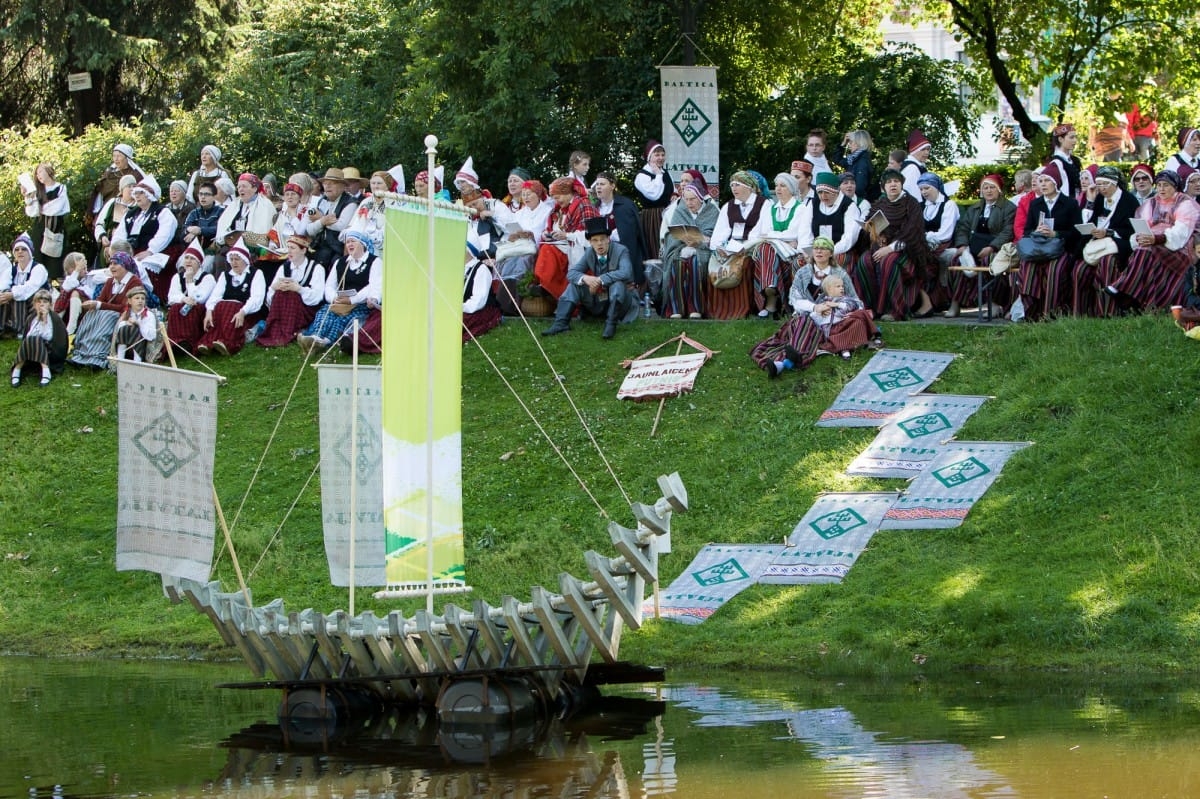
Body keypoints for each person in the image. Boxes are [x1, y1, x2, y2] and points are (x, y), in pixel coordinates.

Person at [751, 237, 862, 378]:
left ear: (831, 253)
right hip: (805, 317)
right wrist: (815, 307)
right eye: (816, 248)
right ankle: (793, 359)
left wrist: (835, 308)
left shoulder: (840, 274)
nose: (819, 251)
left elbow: (856, 302)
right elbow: (794, 299)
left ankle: (782, 363)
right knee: (804, 322)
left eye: (824, 248)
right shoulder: (803, 273)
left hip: (830, 323)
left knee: (807, 327)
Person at [1107, 170, 1200, 312]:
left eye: (1166, 185)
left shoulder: (1185, 203)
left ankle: (1124, 289)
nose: (1161, 189)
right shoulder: (1151, 203)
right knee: (1144, 250)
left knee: (1146, 250)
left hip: (1180, 248)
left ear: (1175, 187)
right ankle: (1143, 302)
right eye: (1159, 185)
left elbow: (1181, 233)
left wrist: (1156, 239)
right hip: (1153, 244)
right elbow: (1143, 225)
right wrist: (1141, 237)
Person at [851, 168, 935, 321]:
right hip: (880, 247)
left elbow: (912, 233)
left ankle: (895, 310)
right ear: (884, 187)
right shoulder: (880, 203)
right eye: (889, 182)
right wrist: (875, 236)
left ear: (901, 184)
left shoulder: (911, 203)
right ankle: (870, 308)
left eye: (896, 181)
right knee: (864, 261)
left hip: (907, 251)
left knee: (889, 262)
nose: (893, 185)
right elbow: (869, 226)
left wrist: (889, 248)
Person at [541, 216, 635, 339]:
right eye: (595, 240)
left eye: (602, 239)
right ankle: (561, 323)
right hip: (599, 299)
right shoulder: (589, 252)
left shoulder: (621, 250)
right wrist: (586, 279)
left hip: (621, 302)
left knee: (617, 285)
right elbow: (572, 273)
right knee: (574, 285)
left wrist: (600, 279)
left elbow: (626, 272)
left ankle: (611, 324)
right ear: (590, 242)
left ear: (608, 239)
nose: (599, 243)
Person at [1014, 161, 1081, 321]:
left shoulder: (1070, 203)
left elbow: (1076, 231)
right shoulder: (1036, 204)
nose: (1042, 184)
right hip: (1038, 247)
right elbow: (1027, 230)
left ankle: (1050, 314)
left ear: (1056, 183)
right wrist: (1036, 231)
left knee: (1054, 272)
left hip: (1061, 249)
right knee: (1028, 268)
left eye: (1047, 181)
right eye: (1040, 181)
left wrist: (1055, 234)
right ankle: (1031, 312)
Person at [1070, 165, 1139, 317]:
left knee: (1107, 264)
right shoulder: (1098, 198)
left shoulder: (1129, 201)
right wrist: (1089, 201)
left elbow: (1131, 231)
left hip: (1117, 246)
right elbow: (1085, 221)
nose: (1101, 188)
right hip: (1095, 244)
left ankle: (1108, 312)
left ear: (1114, 183)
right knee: (1079, 270)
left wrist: (1108, 232)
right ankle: (1079, 313)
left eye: (1105, 184)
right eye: (1099, 184)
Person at [945, 174, 1016, 317]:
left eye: (992, 188)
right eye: (985, 188)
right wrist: (962, 245)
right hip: (973, 246)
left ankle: (994, 303)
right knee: (956, 261)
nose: (988, 191)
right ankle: (955, 303)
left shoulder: (1009, 208)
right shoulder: (975, 208)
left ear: (999, 190)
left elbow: (1008, 231)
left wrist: (992, 247)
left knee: (989, 261)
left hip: (995, 248)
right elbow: (963, 228)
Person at [298, 230, 381, 351]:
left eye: (353, 241)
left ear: (362, 243)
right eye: (347, 242)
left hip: (360, 304)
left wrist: (352, 300)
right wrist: (334, 298)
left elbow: (374, 285)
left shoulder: (374, 261)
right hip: (340, 302)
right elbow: (329, 286)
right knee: (325, 313)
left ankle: (325, 341)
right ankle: (316, 337)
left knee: (342, 319)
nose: (350, 244)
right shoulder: (340, 262)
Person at [705, 170, 770, 320]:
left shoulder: (764, 204)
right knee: (715, 263)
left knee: (745, 264)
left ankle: (742, 308)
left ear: (748, 186)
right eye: (732, 185)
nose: (734, 188)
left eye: (737, 185)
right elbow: (720, 232)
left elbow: (763, 232)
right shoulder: (728, 206)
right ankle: (719, 310)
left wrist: (744, 247)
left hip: (751, 247)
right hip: (729, 248)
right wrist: (719, 247)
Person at [68, 251, 146, 369]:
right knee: (91, 314)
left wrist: (99, 305)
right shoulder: (110, 282)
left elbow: (127, 307)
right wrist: (94, 305)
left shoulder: (134, 282)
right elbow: (101, 299)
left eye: (116, 264)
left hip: (125, 316)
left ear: (125, 265)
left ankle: (98, 358)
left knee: (106, 317)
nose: (112, 267)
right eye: (110, 264)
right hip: (108, 314)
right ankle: (81, 354)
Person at [747, 172, 808, 318]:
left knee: (765, 247)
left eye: (783, 186)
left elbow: (793, 233)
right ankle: (771, 288)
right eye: (777, 186)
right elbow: (757, 233)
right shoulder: (770, 208)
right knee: (765, 248)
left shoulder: (801, 208)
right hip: (774, 253)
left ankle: (770, 296)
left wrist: (771, 235)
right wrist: (782, 239)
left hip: (790, 255)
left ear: (792, 189)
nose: (779, 189)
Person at [196, 237, 266, 356]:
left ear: (244, 260)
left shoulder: (256, 274)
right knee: (221, 305)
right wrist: (209, 312)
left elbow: (257, 298)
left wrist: (243, 312)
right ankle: (209, 342)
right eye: (232, 259)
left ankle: (227, 342)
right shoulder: (225, 275)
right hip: (225, 311)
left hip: (246, 312)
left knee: (230, 307)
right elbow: (216, 295)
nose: (234, 262)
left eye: (237, 259)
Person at [660, 183, 719, 319]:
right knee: (677, 262)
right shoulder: (680, 210)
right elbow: (670, 234)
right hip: (681, 248)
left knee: (695, 262)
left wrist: (701, 241)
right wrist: (683, 241)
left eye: (692, 199)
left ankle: (695, 308)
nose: (689, 203)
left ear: (700, 198)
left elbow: (717, 236)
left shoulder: (712, 211)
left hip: (705, 251)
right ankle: (676, 308)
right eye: (686, 199)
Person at [532, 177, 598, 299]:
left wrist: (566, 235)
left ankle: (550, 288)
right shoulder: (557, 210)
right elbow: (550, 228)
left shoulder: (584, 205)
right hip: (561, 248)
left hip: (578, 250)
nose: (556, 201)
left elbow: (592, 235)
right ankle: (548, 287)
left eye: (558, 197)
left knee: (547, 250)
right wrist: (546, 234)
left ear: (568, 193)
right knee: (546, 249)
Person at [494, 180, 552, 314]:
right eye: (523, 194)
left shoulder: (547, 211)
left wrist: (531, 235)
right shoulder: (519, 213)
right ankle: (504, 303)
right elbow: (511, 231)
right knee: (506, 261)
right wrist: (514, 236)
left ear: (537, 194)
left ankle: (515, 303)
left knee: (522, 261)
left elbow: (545, 233)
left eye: (529, 194)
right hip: (519, 247)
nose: (525, 197)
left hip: (535, 248)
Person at [257, 234, 325, 348]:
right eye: (288, 247)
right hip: (285, 308)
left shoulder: (316, 268)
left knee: (292, 294)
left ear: (303, 250)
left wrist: (299, 289)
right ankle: (281, 331)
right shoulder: (284, 267)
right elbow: (270, 298)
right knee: (280, 293)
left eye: (293, 248)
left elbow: (317, 297)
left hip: (306, 311)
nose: (289, 251)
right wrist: (275, 287)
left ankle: (289, 331)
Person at [121, 176, 179, 303]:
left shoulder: (162, 212)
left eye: (141, 193)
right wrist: (116, 251)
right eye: (135, 193)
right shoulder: (130, 214)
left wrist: (150, 251)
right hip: (134, 251)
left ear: (150, 195)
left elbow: (165, 234)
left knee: (142, 266)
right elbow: (120, 234)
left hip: (160, 251)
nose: (137, 196)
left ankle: (150, 300)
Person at [807, 274, 879, 360]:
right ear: (829, 289)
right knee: (838, 333)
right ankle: (844, 348)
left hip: (847, 323)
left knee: (859, 318)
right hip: (833, 329)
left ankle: (874, 336)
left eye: (842, 286)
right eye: (838, 286)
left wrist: (837, 304)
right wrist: (822, 311)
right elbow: (814, 316)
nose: (842, 288)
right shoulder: (822, 302)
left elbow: (852, 306)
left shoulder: (845, 299)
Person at [592, 172, 645, 286]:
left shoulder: (625, 205)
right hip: (601, 252)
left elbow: (629, 235)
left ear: (612, 186)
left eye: (602, 184)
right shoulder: (595, 208)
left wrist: (610, 237)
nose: (599, 187)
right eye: (597, 184)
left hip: (622, 251)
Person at [917, 172, 960, 308]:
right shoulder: (922, 207)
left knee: (922, 262)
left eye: (927, 188)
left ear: (936, 187)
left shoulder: (949, 205)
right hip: (926, 246)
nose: (923, 192)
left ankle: (936, 300)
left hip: (945, 246)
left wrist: (926, 236)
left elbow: (945, 234)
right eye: (921, 189)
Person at [165, 241, 216, 351]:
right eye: (186, 257)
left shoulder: (207, 278)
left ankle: (189, 342)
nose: (188, 261)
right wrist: (183, 298)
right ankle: (174, 342)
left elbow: (199, 298)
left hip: (199, 310)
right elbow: (171, 296)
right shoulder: (177, 277)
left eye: (192, 259)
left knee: (192, 309)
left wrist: (190, 281)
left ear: (198, 262)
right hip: (181, 306)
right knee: (175, 308)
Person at [22, 162, 70, 279]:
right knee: (38, 260)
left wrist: (38, 206)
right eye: (36, 173)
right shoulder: (37, 190)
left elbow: (58, 207)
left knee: (54, 262)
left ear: (48, 171)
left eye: (40, 172)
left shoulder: (60, 188)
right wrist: (28, 197)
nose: (38, 175)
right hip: (40, 229)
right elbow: (32, 212)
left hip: (55, 228)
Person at [11, 289, 66, 387]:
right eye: (39, 302)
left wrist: (44, 321)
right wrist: (38, 320)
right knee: (32, 339)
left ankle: (46, 371)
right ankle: (17, 369)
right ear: (34, 304)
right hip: (33, 350)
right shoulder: (31, 318)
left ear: (49, 304)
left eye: (45, 302)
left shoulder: (54, 318)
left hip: (51, 351)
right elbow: (27, 337)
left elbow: (50, 337)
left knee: (36, 339)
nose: (42, 305)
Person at [306, 168, 359, 267]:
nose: (327, 186)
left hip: (338, 249)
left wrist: (321, 219)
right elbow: (309, 229)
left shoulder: (351, 203)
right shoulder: (322, 201)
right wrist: (322, 221)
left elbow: (341, 226)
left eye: (333, 183)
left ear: (343, 186)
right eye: (325, 183)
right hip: (319, 247)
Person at [0, 233, 50, 335]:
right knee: (5, 294)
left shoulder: (38, 268)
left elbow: (30, 287)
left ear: (30, 252)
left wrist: (12, 294)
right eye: (17, 250)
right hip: (21, 303)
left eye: (24, 249)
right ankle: (2, 327)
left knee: (17, 295)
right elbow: (3, 284)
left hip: (39, 302)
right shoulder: (12, 270)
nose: (20, 252)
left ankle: (20, 329)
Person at [216, 172, 277, 255]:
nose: (240, 189)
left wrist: (245, 237)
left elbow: (265, 238)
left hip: (253, 249)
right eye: (239, 187)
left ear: (255, 188)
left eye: (244, 186)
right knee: (220, 259)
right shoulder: (235, 204)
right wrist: (226, 238)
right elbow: (222, 227)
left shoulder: (265, 205)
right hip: (232, 246)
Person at [810, 172, 862, 267]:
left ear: (836, 191)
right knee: (798, 262)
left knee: (837, 261)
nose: (823, 196)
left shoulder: (849, 206)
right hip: (816, 250)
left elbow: (850, 238)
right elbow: (804, 231)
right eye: (820, 192)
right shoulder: (812, 204)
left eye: (827, 192)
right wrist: (810, 251)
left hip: (840, 251)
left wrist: (830, 251)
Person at [633, 141, 673, 261]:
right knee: (655, 246)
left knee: (668, 246)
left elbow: (672, 190)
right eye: (657, 155)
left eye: (662, 154)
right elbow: (654, 195)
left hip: (667, 214)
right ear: (649, 157)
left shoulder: (665, 173)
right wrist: (658, 175)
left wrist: (674, 195)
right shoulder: (642, 176)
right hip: (652, 216)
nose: (660, 158)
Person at [87, 144, 143, 225]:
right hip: (107, 212)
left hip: (129, 212)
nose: (116, 159)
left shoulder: (136, 175)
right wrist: (96, 213)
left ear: (127, 158)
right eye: (114, 156)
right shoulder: (109, 174)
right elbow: (99, 194)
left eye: (119, 156)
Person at [54, 251, 104, 335]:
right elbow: (67, 287)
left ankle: (71, 328)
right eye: (83, 268)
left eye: (85, 267)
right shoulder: (69, 279)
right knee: (66, 293)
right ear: (72, 270)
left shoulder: (90, 277)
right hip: (69, 311)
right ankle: (55, 324)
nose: (86, 270)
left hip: (88, 307)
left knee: (75, 292)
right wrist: (77, 271)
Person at [93, 175, 136, 268]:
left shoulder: (137, 206)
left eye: (134, 186)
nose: (132, 189)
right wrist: (103, 236)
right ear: (122, 189)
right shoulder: (112, 203)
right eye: (129, 186)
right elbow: (99, 224)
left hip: (128, 246)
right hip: (109, 244)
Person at [109, 284, 159, 364]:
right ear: (129, 301)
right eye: (137, 298)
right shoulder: (126, 314)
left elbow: (151, 336)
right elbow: (117, 331)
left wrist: (138, 324)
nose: (140, 301)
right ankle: (120, 360)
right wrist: (126, 323)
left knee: (134, 329)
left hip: (143, 347)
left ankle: (137, 362)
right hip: (128, 347)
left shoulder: (149, 315)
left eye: (142, 299)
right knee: (124, 328)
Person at [182, 181, 223, 260]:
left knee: (206, 264)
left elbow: (219, 229)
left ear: (214, 196)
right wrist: (189, 229)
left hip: (213, 249)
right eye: (200, 194)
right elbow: (184, 229)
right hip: (193, 249)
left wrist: (200, 230)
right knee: (181, 264)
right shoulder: (194, 212)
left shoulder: (221, 211)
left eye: (207, 194)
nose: (203, 197)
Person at [838, 130, 876, 202]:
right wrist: (843, 144)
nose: (849, 145)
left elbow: (859, 187)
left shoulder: (862, 161)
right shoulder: (854, 159)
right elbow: (837, 160)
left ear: (859, 143)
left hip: (856, 200)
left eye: (851, 142)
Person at [1048, 123, 1083, 199]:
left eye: (1075, 137)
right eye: (1071, 137)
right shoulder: (1056, 163)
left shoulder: (1074, 160)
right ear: (1060, 139)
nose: (1075, 140)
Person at [901, 130, 932, 200]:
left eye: (928, 149)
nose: (927, 153)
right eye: (923, 149)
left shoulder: (918, 166)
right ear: (914, 151)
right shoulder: (912, 168)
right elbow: (914, 197)